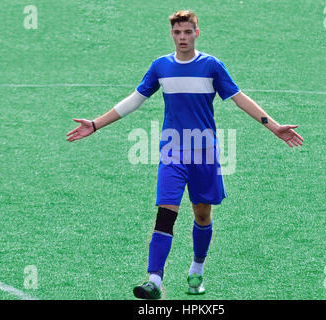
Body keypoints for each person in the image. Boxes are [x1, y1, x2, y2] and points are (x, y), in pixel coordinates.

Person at [66, 10, 303, 300]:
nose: (182, 38)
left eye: (187, 32)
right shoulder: (160, 67)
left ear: (196, 34)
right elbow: (134, 100)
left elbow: (239, 98)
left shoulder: (212, 66)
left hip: (204, 153)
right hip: (172, 153)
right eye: (177, 33)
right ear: (172, 35)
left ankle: (197, 269)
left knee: (202, 214)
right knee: (165, 213)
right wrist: (95, 124)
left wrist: (274, 126)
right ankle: (154, 279)